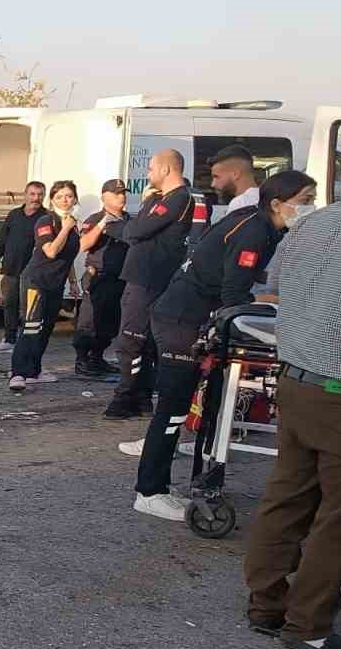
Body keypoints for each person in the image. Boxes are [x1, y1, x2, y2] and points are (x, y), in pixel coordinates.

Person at [126, 170, 316, 520]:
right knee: (173, 408)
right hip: (180, 321)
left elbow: (232, 272)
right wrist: (274, 304)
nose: (311, 208)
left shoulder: (259, 222)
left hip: (188, 315)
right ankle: (150, 491)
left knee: (189, 404)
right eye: (305, 201)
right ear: (278, 203)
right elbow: (233, 295)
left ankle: (181, 475)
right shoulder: (256, 230)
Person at [241, 180, 341, 649]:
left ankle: (265, 605)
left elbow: (275, 288)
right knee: (339, 514)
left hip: (295, 378)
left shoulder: (313, 223)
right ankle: (309, 627)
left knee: (286, 496)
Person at [105, 149, 204, 419]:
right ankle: (141, 396)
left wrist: (147, 205)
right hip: (147, 278)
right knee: (143, 342)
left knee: (130, 341)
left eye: (150, 169)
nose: (148, 175)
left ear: (165, 170)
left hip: (148, 279)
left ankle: (125, 397)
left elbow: (135, 231)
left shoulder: (176, 199)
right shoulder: (176, 198)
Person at [7, 181, 81, 392]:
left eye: (69, 196)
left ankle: (34, 371)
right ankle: (18, 373)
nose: (65, 200)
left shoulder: (74, 224)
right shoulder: (46, 221)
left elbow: (68, 257)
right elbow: (51, 251)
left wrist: (73, 282)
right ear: (52, 200)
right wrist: (65, 229)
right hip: (35, 281)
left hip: (55, 284)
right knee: (31, 326)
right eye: (60, 197)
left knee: (46, 329)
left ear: (75, 198)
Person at [72, 179, 131, 376]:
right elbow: (83, 245)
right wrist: (102, 224)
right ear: (104, 197)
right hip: (98, 278)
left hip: (120, 279)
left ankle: (97, 358)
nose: (122, 197)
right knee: (90, 321)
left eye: (123, 193)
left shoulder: (129, 220)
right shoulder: (95, 218)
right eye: (117, 193)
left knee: (111, 322)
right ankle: (82, 360)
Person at [0, 182, 47, 355]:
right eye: (32, 194)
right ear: (25, 195)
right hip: (10, 270)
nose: (36, 198)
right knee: (9, 305)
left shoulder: (46, 218)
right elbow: (2, 240)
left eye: (40, 195)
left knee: (28, 310)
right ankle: (9, 340)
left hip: (31, 273)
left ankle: (26, 344)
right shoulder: (14, 214)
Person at [210, 144, 260, 214]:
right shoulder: (268, 200)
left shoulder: (240, 203)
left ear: (235, 174)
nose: (213, 184)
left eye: (216, 177)